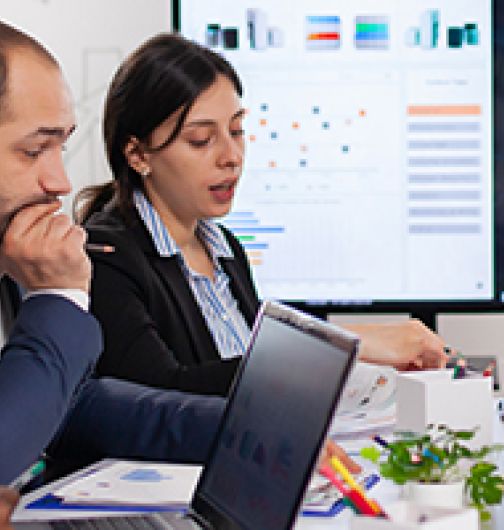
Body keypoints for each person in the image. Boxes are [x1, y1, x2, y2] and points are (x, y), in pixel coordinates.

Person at [0, 20, 357, 498]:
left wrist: (244, 431)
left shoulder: (16, 262)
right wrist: (57, 296)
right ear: (138, 154)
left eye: (61, 147)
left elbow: (75, 403)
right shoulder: (99, 254)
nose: (60, 181)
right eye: (34, 149)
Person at [76, 33, 447, 397]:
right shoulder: (107, 255)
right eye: (201, 140)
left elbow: (247, 373)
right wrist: (347, 344)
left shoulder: (223, 250)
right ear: (138, 154)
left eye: (237, 130)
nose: (231, 156)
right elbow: (161, 396)